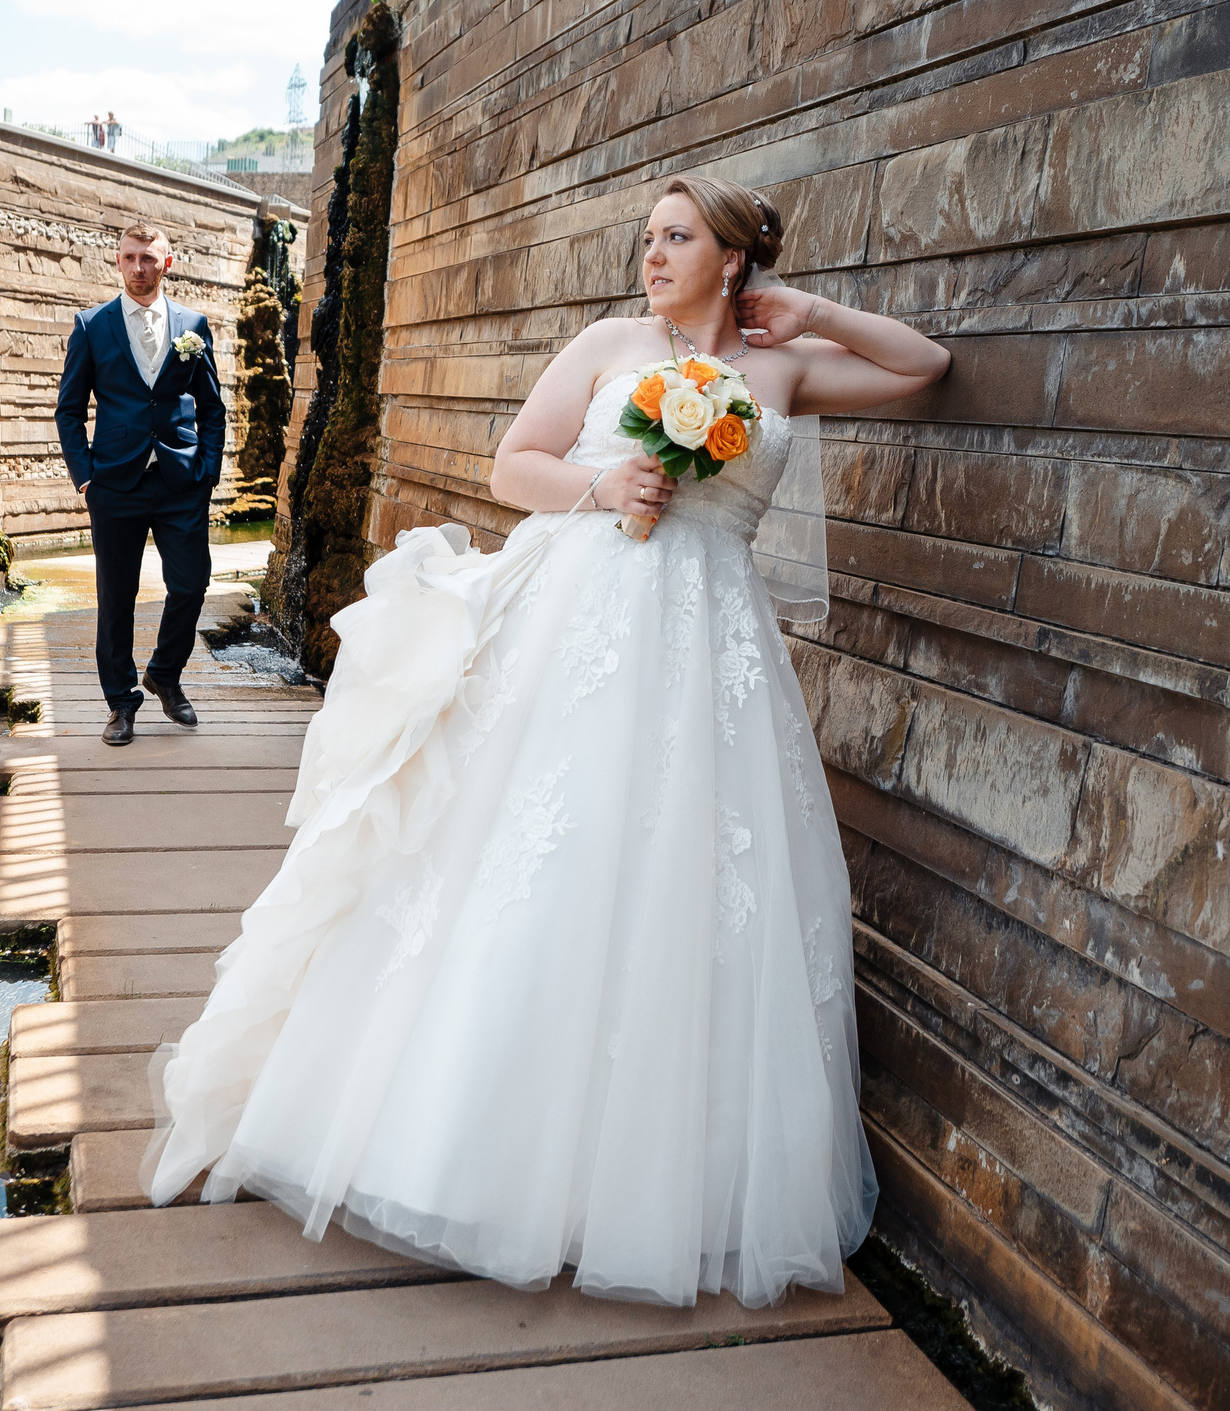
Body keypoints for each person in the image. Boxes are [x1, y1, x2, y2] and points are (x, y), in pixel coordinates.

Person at [142, 176, 952, 1306]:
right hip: (583, 623)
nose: (652, 256)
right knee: (537, 851)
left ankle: (646, 1183)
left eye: (677, 238)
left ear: (732, 256)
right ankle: (453, 1148)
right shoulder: (612, 344)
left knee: (684, 877)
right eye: (647, 237)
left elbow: (924, 366)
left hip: (712, 645)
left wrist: (809, 312)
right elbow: (512, 465)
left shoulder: (783, 370)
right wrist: (600, 482)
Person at [54, 224, 227, 746]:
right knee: (116, 597)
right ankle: (121, 703)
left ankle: (165, 674)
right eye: (130, 258)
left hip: (181, 481)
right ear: (118, 261)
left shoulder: (193, 326)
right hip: (114, 484)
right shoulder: (92, 325)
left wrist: (208, 472)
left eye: (148, 258)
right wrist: (85, 478)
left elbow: (213, 409)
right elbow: (68, 409)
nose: (138, 267)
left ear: (166, 264)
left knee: (191, 584)